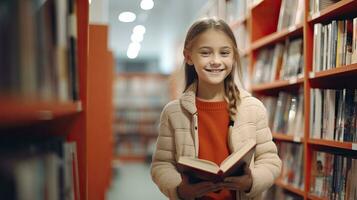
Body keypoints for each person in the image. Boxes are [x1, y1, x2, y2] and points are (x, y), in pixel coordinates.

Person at [150, 17, 281, 200]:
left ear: (234, 57)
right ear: (188, 56)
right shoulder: (173, 112)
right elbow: (161, 165)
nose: (216, 61)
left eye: (224, 53)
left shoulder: (253, 108)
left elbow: (270, 160)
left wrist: (252, 182)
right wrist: (179, 189)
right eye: (205, 53)